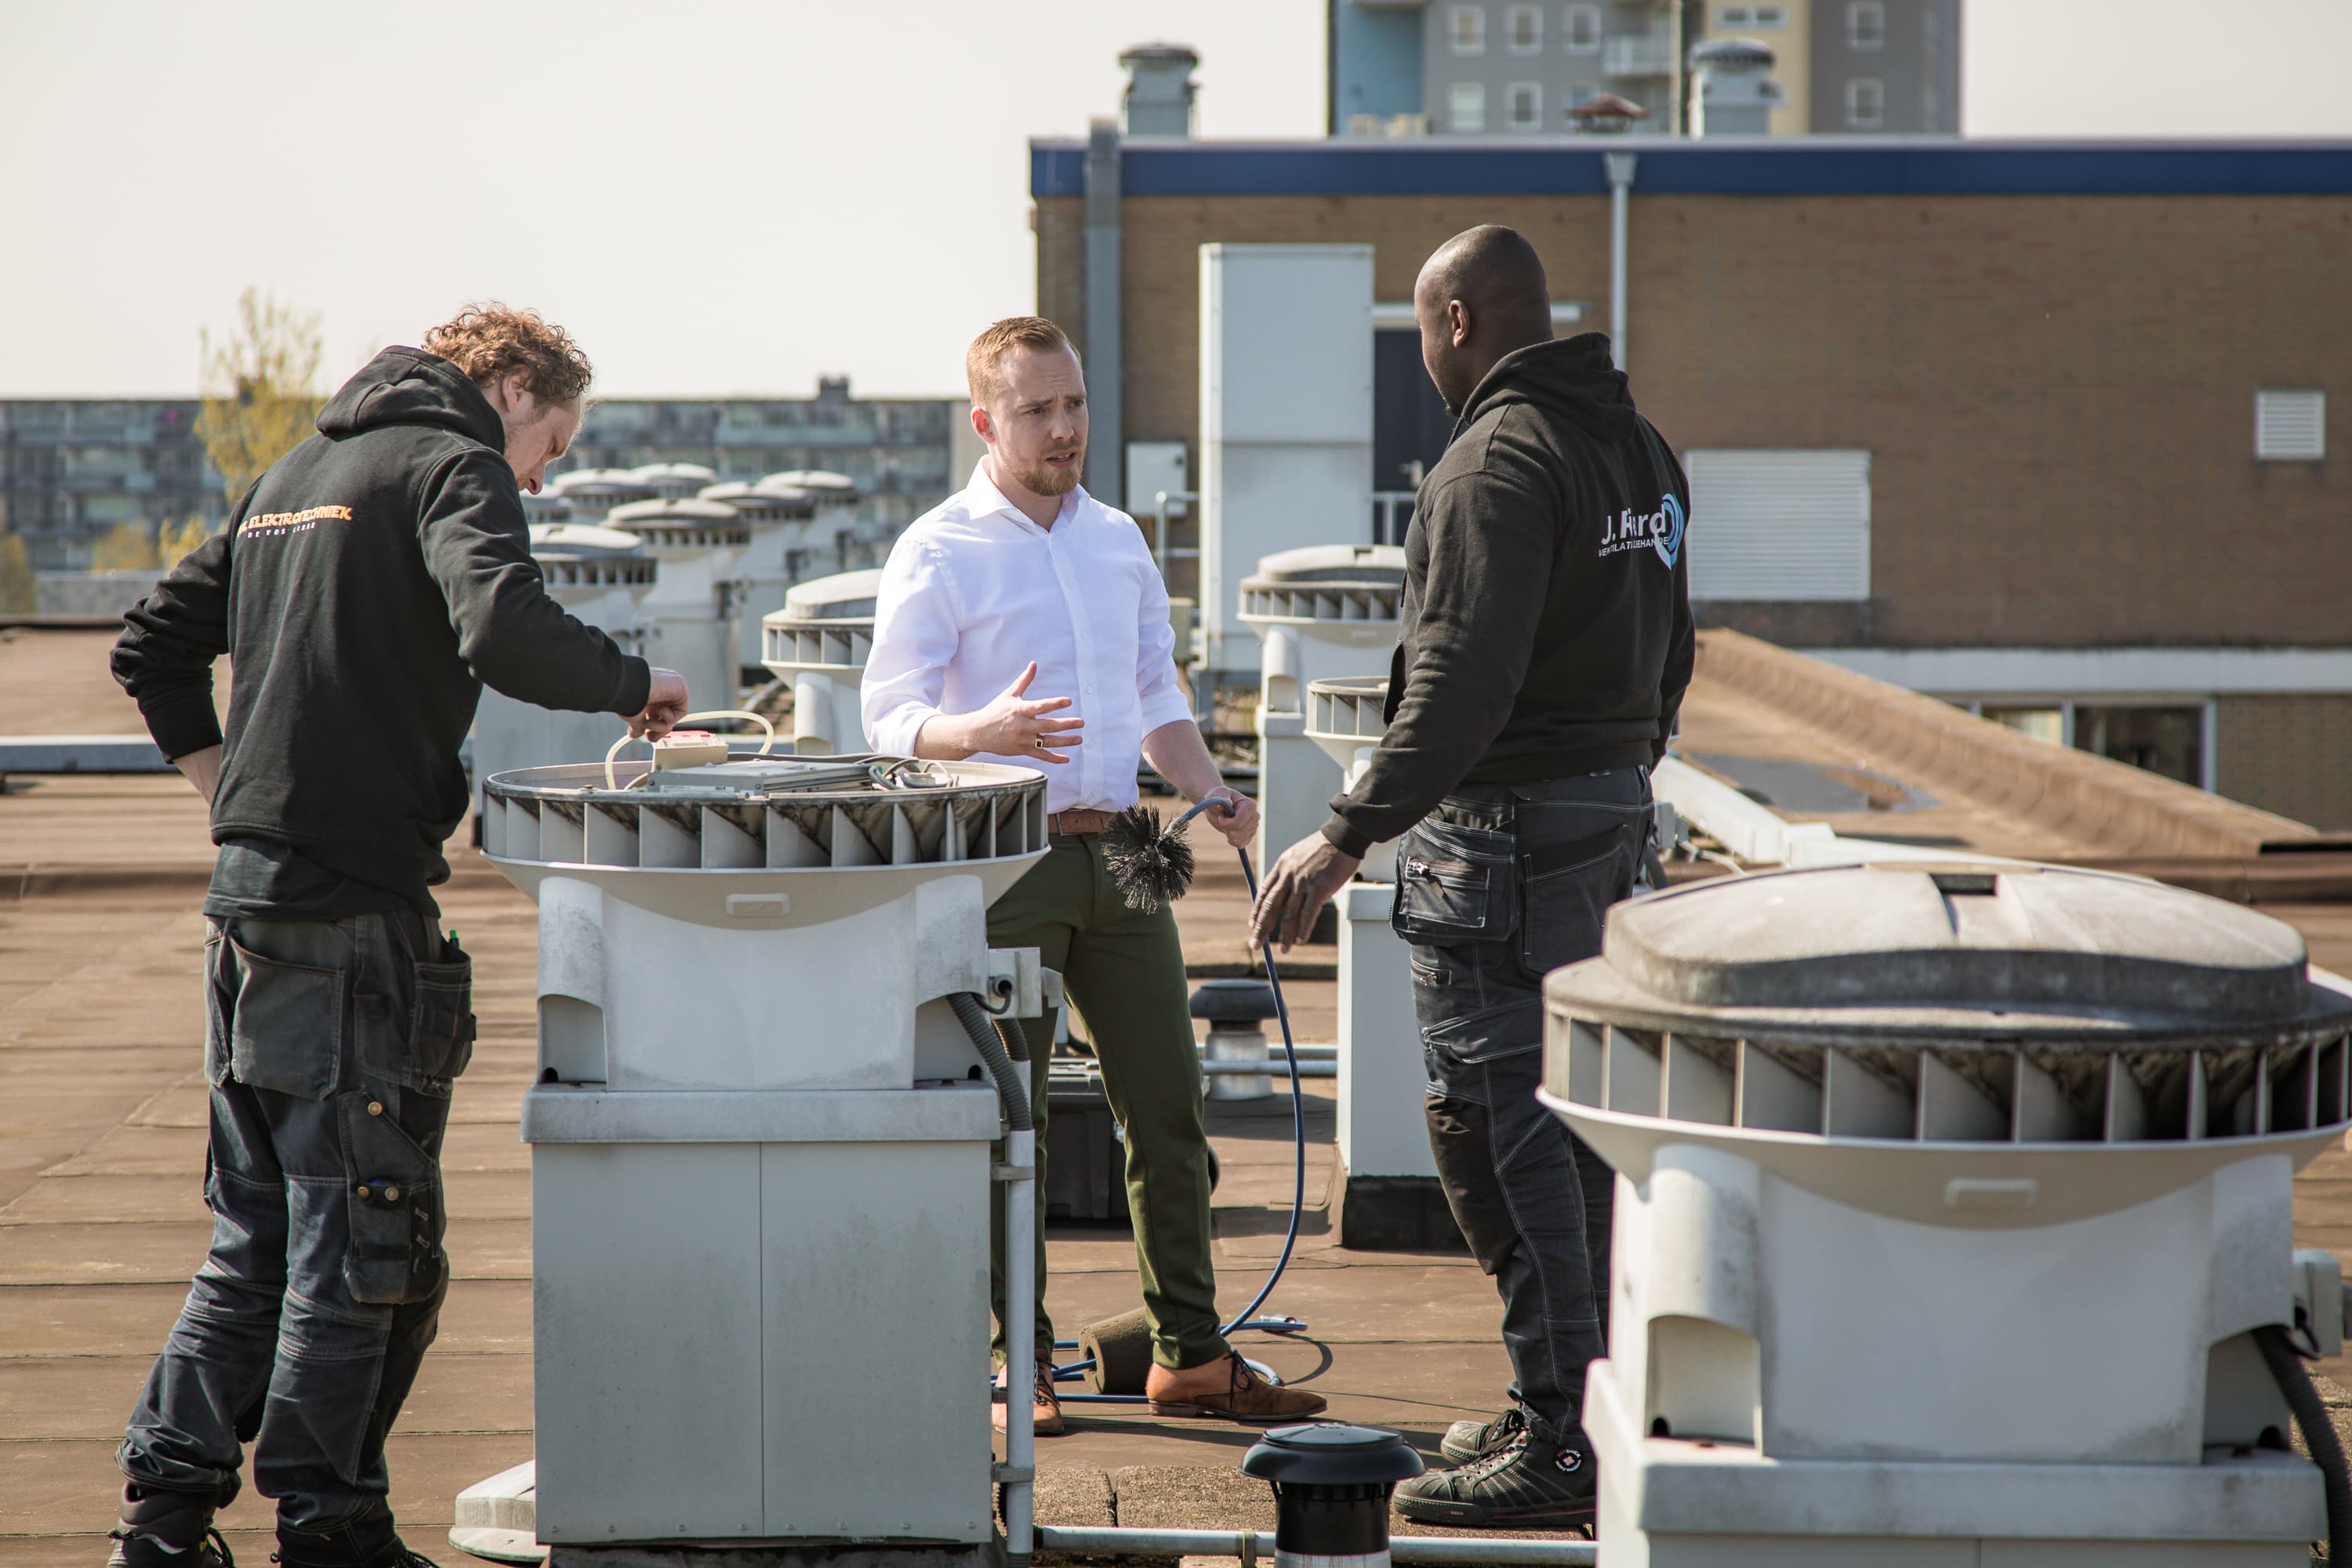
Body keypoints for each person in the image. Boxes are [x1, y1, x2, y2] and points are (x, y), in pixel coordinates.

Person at [107, 306, 690, 1568]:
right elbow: (502, 623)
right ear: (512, 386)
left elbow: (151, 641)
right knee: (364, 1239)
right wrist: (636, 681)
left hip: (252, 913)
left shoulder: (298, 476)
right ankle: (330, 1531)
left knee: (257, 1234)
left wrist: (234, 795)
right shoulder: (449, 461)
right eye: (557, 444)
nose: (548, 475)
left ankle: (161, 1525)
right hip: (350, 921)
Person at [1250, 227, 1693, 1529]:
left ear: (1452, 322)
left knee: (1506, 1133)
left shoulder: (1492, 461)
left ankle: (1564, 1445)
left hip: (1502, 845)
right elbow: (1675, 644)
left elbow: (1459, 682)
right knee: (1583, 1132)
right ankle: (1575, 1400)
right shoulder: (1639, 449)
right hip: (1609, 829)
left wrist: (1345, 832)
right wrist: (1621, 773)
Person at [863, 315, 1327, 1436]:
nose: (1064, 427)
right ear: (986, 422)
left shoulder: (1117, 538)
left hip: (1125, 852)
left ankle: (1190, 1356)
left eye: (1074, 405)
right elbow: (888, 718)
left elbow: (1156, 695)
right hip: (1007, 856)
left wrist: (1214, 791)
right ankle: (1016, 1364)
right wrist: (981, 729)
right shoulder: (936, 548)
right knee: (1006, 1118)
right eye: (1037, 410)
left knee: (1168, 1108)